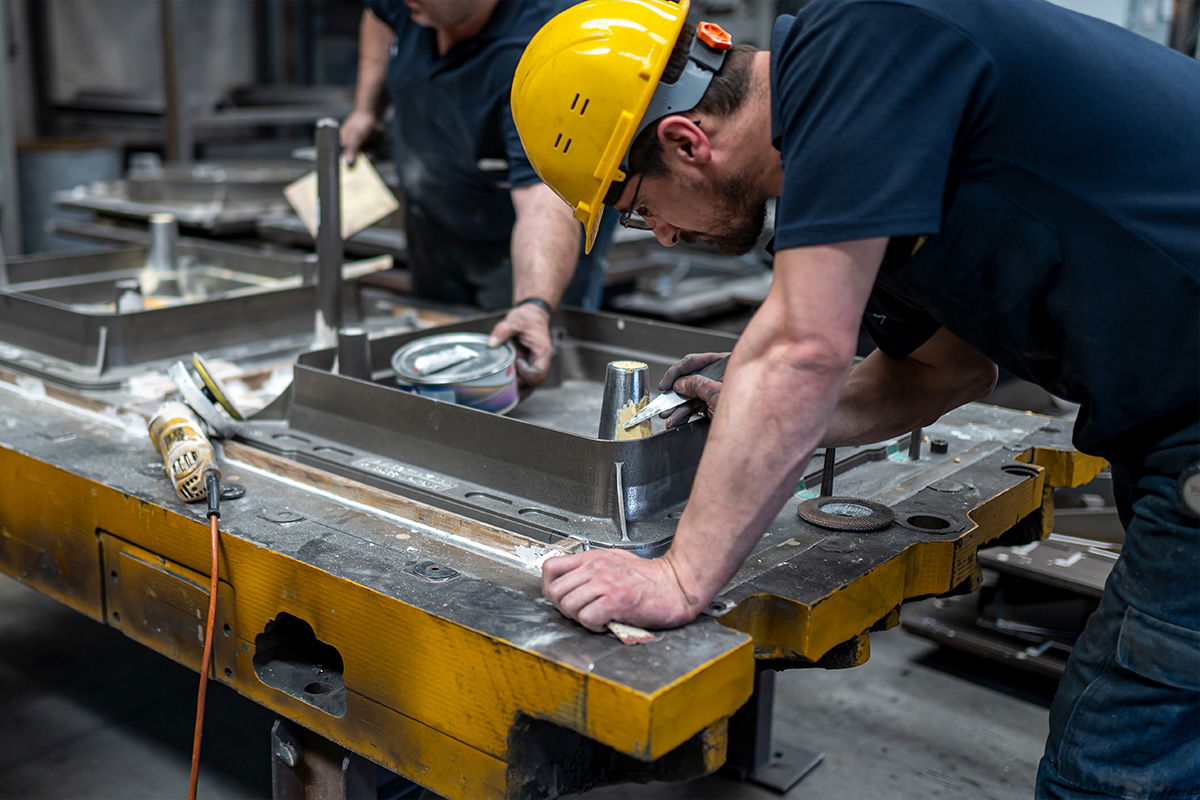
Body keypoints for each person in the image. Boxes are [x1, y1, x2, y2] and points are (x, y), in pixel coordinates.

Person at [510, 0, 1200, 797]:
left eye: (637, 211)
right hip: (1169, 425)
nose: (661, 236)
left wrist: (679, 578)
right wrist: (750, 406)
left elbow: (804, 350)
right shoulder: (872, 130)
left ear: (685, 142)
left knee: (1112, 768)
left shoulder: (864, 42)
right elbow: (942, 371)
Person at [340, 0, 616, 387]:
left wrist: (533, 305)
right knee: (438, 362)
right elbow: (378, 14)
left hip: (524, 246)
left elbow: (545, 199)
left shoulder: (541, 54)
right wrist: (366, 107)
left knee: (517, 371)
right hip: (435, 224)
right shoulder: (415, 5)